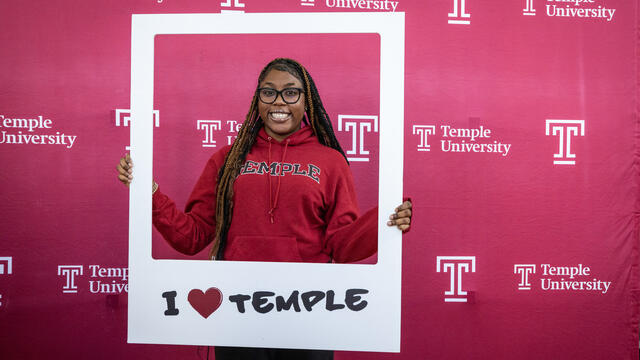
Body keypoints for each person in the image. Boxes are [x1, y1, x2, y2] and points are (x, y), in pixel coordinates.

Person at [117, 58, 412, 360]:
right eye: (268, 92)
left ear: (306, 100)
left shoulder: (330, 162)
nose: (279, 102)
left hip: (308, 311)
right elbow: (191, 236)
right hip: (239, 308)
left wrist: (386, 221)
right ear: (257, 99)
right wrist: (148, 193)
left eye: (290, 92)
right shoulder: (228, 160)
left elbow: (342, 245)